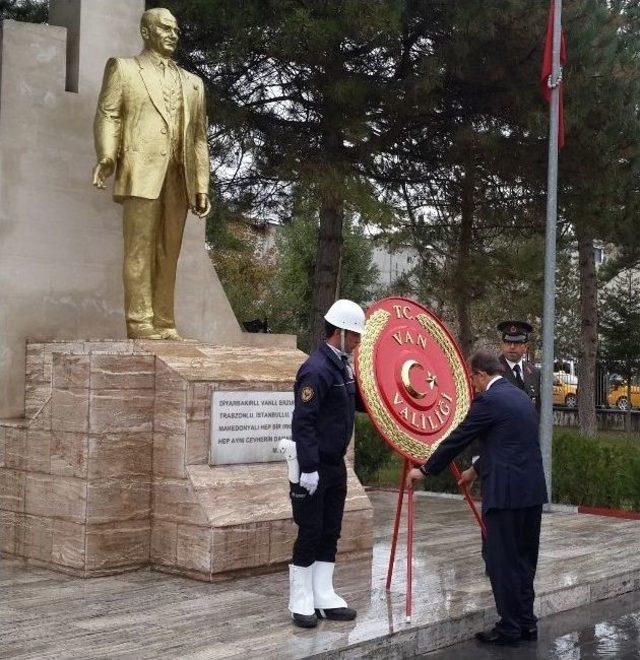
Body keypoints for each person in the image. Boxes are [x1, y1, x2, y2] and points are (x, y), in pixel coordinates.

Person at [407, 351, 547, 646]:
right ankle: (526, 622)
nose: (472, 383)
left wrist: (426, 469)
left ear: (482, 374)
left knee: (501, 561)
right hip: (531, 492)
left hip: (505, 495)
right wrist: (475, 469)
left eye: (472, 378)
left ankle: (508, 628)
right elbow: (510, 443)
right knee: (524, 560)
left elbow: (459, 437)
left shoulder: (489, 401)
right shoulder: (520, 397)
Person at [93, 8, 211, 340]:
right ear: (146, 32)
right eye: (165, 28)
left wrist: (201, 184)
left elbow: (199, 137)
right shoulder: (124, 69)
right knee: (139, 249)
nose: (173, 34)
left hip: (179, 175)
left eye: (176, 29)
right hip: (141, 171)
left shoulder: (193, 83)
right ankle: (139, 322)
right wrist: (106, 155)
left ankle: (164, 321)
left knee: (168, 251)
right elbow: (108, 115)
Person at [287, 299, 366, 628]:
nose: (359, 342)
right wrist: (308, 468)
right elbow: (303, 422)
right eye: (357, 336)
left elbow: (358, 402)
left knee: (331, 530)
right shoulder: (317, 368)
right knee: (311, 531)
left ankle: (323, 593)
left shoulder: (342, 366)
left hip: (335, 465)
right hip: (314, 467)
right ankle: (300, 598)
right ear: (342, 332)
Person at [497, 320, 540, 412]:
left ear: (525, 346)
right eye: (508, 342)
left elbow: (538, 410)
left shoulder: (534, 373)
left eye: (516, 343)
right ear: (502, 345)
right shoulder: (492, 370)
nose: (512, 347)